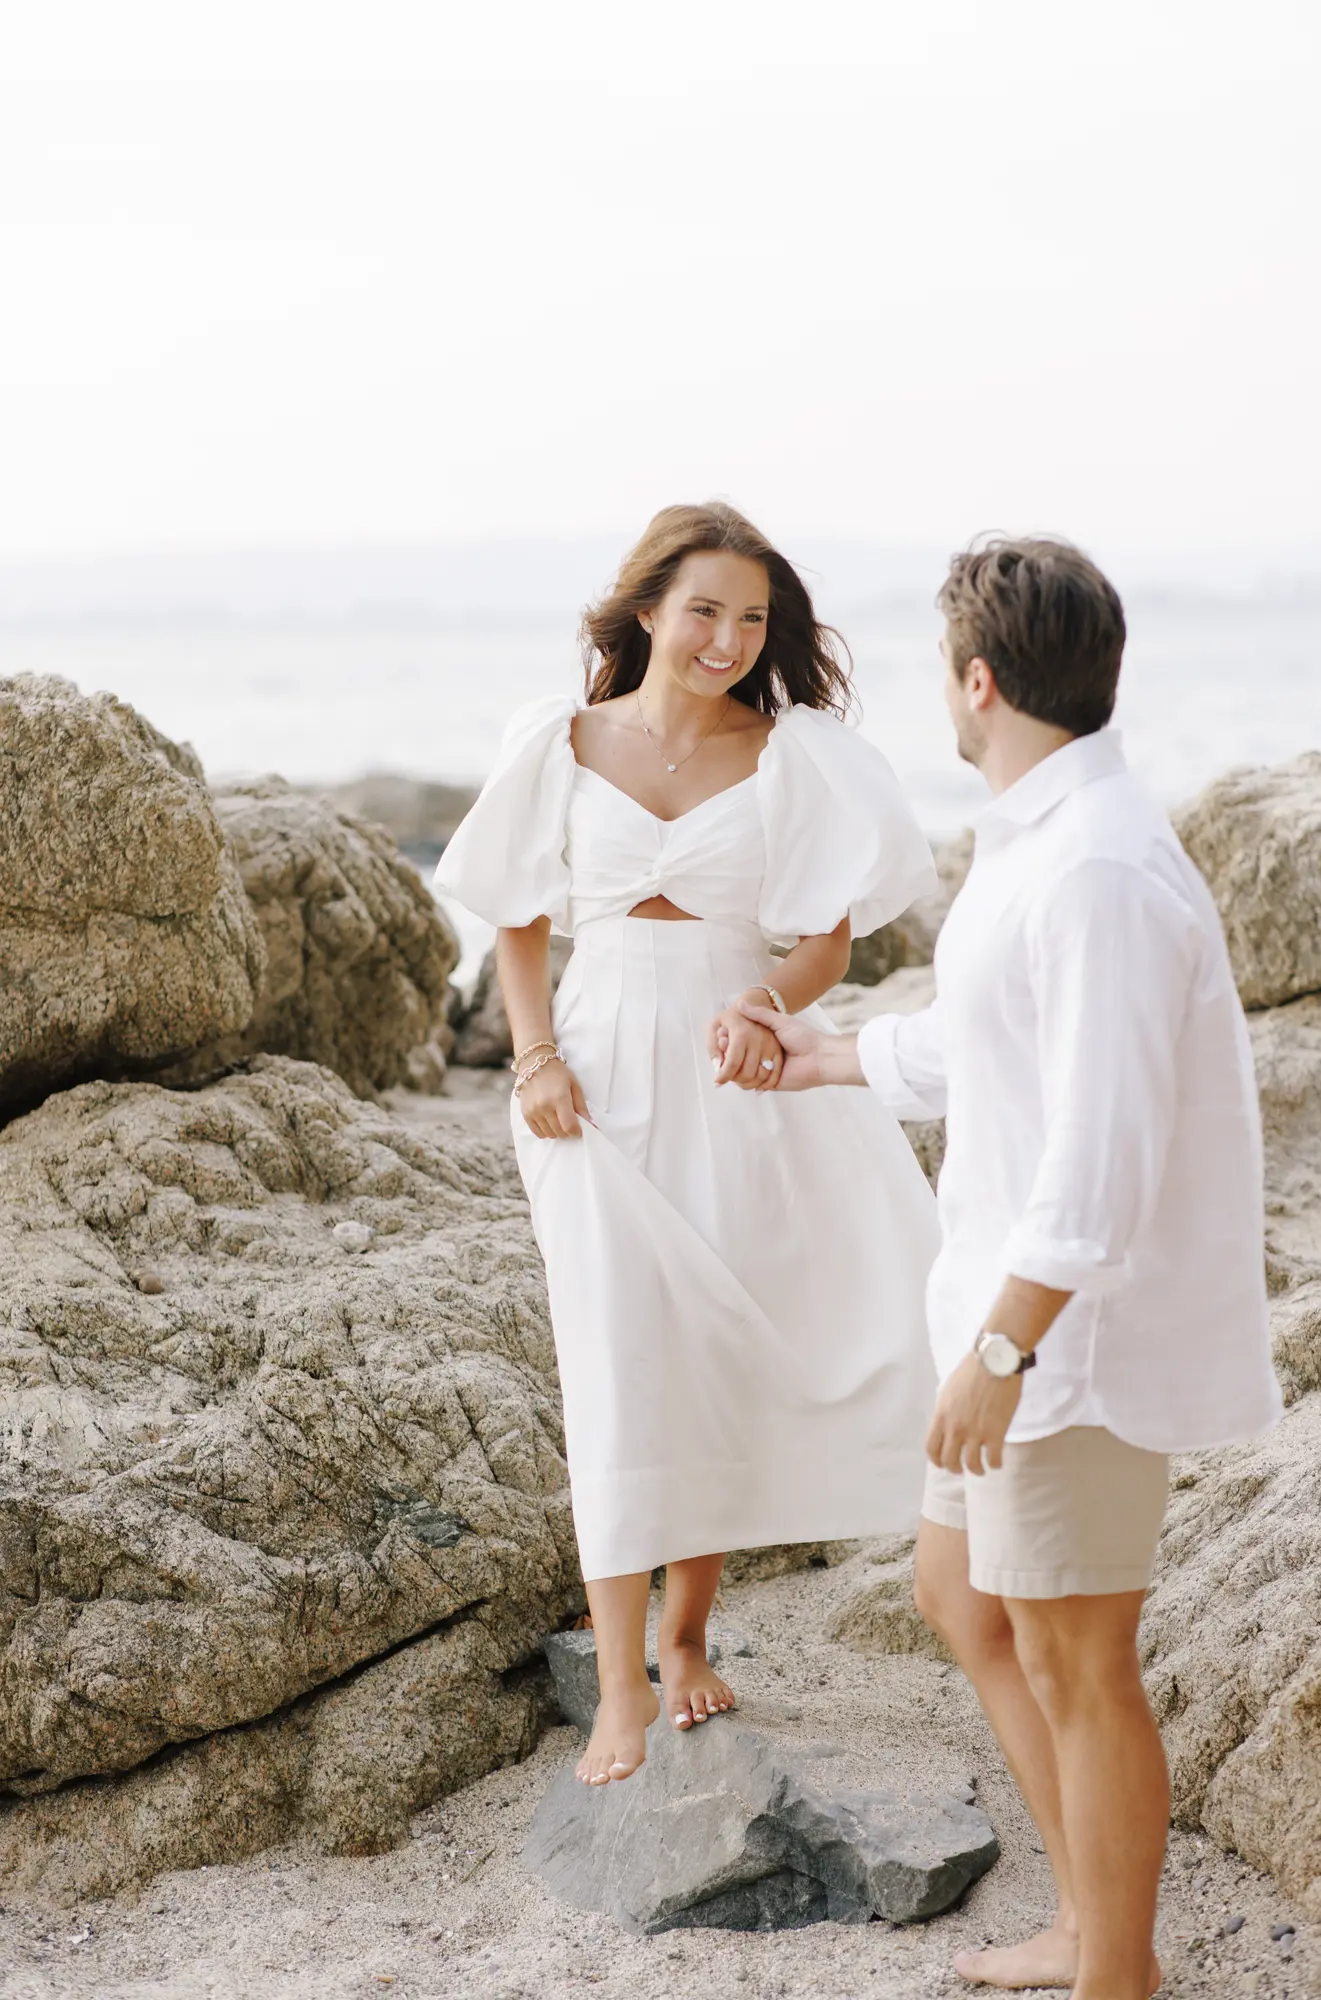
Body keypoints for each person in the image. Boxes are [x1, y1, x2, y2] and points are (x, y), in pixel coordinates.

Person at [731, 537, 1284, 2000]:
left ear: (978, 681)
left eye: (941, 669)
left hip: (1064, 1344)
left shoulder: (1099, 868)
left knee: (1079, 1663)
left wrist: (1001, 1353)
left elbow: (1101, 1159)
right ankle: (1090, 1927)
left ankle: (1119, 1973)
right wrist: (827, 1055)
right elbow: (992, 1044)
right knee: (962, 1600)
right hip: (1004, 1312)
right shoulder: (1038, 834)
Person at [436, 501, 941, 1789]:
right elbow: (519, 920)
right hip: (589, 1077)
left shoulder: (791, 755)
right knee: (616, 1356)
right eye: (704, 609)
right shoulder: (557, 741)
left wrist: (765, 1002)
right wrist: (534, 1058)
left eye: (753, 619)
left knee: (709, 1346)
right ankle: (620, 1681)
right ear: (649, 608)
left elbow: (829, 940)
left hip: (731, 1070)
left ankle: (687, 1637)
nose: (728, 638)